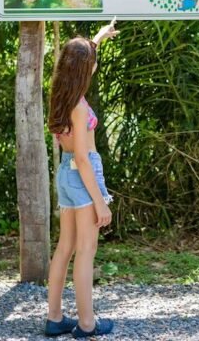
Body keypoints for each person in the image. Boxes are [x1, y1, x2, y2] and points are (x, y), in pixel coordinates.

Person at [44, 19, 120, 337]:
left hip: (65, 175)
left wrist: (98, 38)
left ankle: (54, 317)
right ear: (83, 70)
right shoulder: (77, 105)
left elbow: (82, 62)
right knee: (86, 251)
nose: (95, 65)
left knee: (66, 247)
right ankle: (87, 324)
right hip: (83, 174)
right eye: (92, 61)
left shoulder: (61, 93)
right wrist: (101, 201)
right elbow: (82, 159)